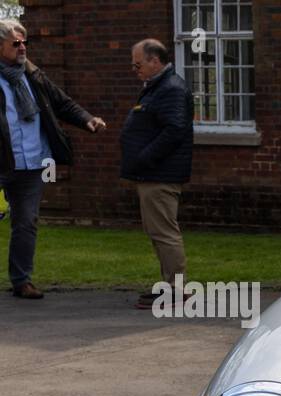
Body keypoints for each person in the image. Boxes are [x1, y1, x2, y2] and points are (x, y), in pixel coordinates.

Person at [0, 19, 106, 300]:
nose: (23, 48)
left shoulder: (32, 75)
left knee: (26, 222)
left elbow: (61, 103)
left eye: (25, 42)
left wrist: (87, 120)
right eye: (16, 43)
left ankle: (22, 280)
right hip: (2, 161)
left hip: (32, 162)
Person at [120, 39, 193, 310]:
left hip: (160, 175)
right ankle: (171, 286)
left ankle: (177, 289)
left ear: (155, 61)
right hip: (153, 174)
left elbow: (174, 130)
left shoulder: (170, 89)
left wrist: (144, 157)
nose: (134, 69)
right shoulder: (159, 87)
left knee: (163, 231)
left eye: (138, 64)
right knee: (158, 230)